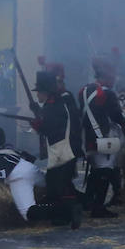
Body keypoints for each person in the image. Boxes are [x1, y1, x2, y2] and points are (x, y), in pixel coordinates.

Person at [32, 68, 82, 229]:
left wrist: (38, 125)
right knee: (58, 184)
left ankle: (73, 210)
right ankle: (62, 217)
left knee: (58, 185)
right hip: (62, 149)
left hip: (62, 150)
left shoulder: (54, 105)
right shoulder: (54, 103)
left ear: (45, 92)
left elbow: (51, 127)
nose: (37, 95)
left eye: (38, 92)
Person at [77, 55, 125, 220]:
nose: (114, 81)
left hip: (87, 137)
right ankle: (98, 208)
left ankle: (89, 201)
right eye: (112, 78)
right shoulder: (108, 94)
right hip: (103, 137)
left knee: (96, 170)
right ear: (105, 77)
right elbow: (117, 116)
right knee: (106, 169)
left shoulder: (83, 90)